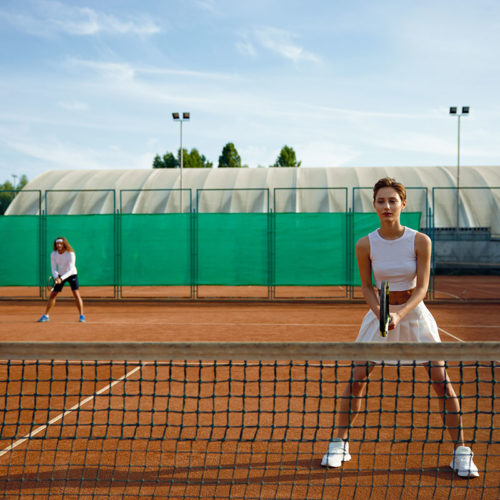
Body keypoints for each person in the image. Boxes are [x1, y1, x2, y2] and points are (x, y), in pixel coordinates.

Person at [321, 177, 478, 478]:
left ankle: (461, 452)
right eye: (381, 201)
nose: (387, 206)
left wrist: (400, 314)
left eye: (393, 200)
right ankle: (340, 443)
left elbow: (422, 288)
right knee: (355, 380)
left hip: (415, 315)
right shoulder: (365, 244)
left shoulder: (420, 241)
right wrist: (381, 313)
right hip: (379, 314)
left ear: (403, 204)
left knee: (440, 381)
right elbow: (367, 287)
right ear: (375, 205)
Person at [38, 237, 85, 323]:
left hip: (71, 274)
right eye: (57, 244)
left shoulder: (71, 253)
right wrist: (56, 277)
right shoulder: (53, 254)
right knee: (53, 294)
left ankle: (81, 315)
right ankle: (46, 315)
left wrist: (61, 278)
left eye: (60, 244)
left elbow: (71, 270)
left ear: (64, 244)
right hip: (60, 275)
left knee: (76, 293)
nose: (59, 245)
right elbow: (53, 268)